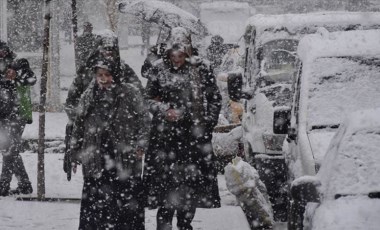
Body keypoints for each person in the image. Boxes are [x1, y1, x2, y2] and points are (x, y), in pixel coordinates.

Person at [144, 27, 222, 230]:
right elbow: (147, 98)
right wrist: (163, 109)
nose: (177, 60)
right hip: (164, 138)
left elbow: (214, 98)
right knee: (165, 188)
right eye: (173, 55)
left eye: (181, 55)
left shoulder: (201, 68)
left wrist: (207, 124)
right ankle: (164, 225)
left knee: (190, 189)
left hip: (193, 138)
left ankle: (185, 224)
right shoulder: (158, 68)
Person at [69, 57, 150, 229]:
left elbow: (143, 119)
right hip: (96, 155)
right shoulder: (89, 94)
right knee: (96, 203)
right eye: (100, 75)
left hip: (123, 156)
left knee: (124, 199)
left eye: (107, 74)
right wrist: (75, 152)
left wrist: (141, 144)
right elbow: (78, 124)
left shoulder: (129, 93)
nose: (103, 79)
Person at [64, 32, 144, 178]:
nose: (108, 52)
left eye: (111, 49)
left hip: (121, 138)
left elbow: (140, 101)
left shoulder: (124, 71)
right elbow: (71, 102)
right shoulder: (86, 70)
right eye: (105, 49)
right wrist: (85, 118)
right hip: (93, 138)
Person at [0, 40, 36, 196]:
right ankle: (25, 184)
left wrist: (16, 76)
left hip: (17, 114)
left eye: (2, 50)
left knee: (9, 149)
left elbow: (31, 78)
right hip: (2, 114)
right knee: (8, 149)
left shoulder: (18, 62)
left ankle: (3, 186)